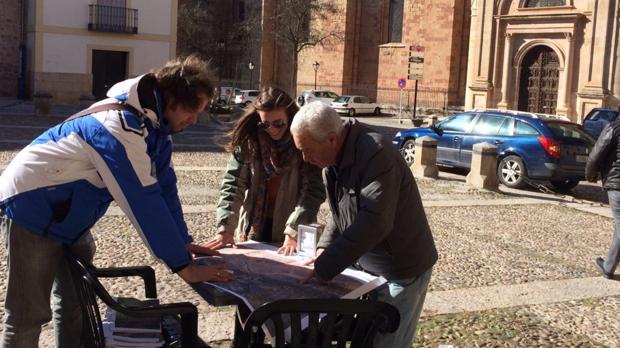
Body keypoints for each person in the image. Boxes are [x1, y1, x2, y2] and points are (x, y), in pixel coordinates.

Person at [0, 54, 235, 348]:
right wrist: (182, 266)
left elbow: (165, 189)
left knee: (75, 301)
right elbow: (143, 200)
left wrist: (182, 242)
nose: (194, 119)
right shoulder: (117, 126)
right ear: (170, 97)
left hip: (68, 215)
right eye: (191, 109)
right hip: (30, 208)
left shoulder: (156, 129)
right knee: (27, 315)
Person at [290, 101, 438, 347]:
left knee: (386, 342)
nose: (305, 159)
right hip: (368, 269)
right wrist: (325, 247)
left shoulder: (376, 152)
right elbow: (340, 214)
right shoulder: (331, 162)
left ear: (331, 139)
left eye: (307, 150)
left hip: (401, 270)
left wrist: (326, 266)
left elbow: (375, 221)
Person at [204, 87, 325, 255]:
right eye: (265, 124)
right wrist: (225, 229)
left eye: (278, 124)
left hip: (291, 233)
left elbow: (313, 192)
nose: (272, 130)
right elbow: (233, 185)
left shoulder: (303, 145)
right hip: (253, 229)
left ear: (290, 117)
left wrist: (294, 231)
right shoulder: (250, 143)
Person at [586, 119, 620, 279]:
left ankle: (608, 267)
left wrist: (590, 174)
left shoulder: (613, 128)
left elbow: (596, 155)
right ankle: (608, 266)